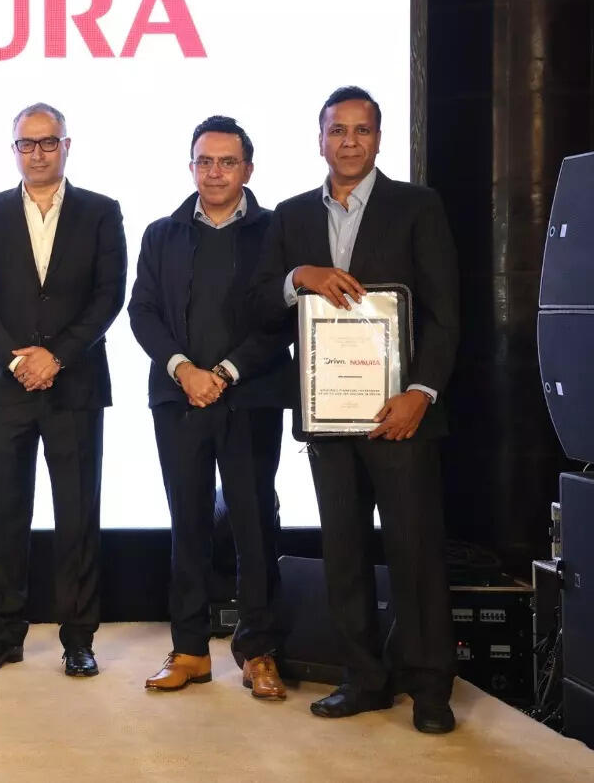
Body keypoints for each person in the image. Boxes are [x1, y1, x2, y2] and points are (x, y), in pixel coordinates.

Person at [249, 86, 461, 733]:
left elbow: (445, 313)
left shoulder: (417, 206)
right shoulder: (291, 216)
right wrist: (299, 278)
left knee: (414, 553)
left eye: (361, 130)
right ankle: (363, 679)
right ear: (320, 140)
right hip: (328, 416)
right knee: (342, 553)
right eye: (337, 130)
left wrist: (421, 393)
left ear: (378, 139)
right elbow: (258, 305)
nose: (348, 141)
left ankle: (430, 688)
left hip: (401, 414)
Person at [0, 102, 127, 677]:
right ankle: (4, 635)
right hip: (6, 387)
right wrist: (15, 359)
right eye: (26, 144)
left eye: (48, 142)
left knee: (77, 517)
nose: (37, 153)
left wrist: (57, 356)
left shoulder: (101, 211)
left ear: (66, 146)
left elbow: (108, 295)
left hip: (75, 385)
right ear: (14, 151)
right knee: (5, 516)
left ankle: (78, 639)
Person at [128, 115, 293, 699]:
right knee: (189, 525)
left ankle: (259, 651)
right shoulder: (161, 233)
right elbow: (142, 311)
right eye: (205, 161)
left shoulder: (276, 232)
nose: (215, 172)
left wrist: (224, 373)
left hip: (251, 398)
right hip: (179, 400)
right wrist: (185, 370)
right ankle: (190, 651)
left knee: (254, 525)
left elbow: (283, 318)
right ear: (191, 166)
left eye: (227, 162)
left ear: (248, 168)